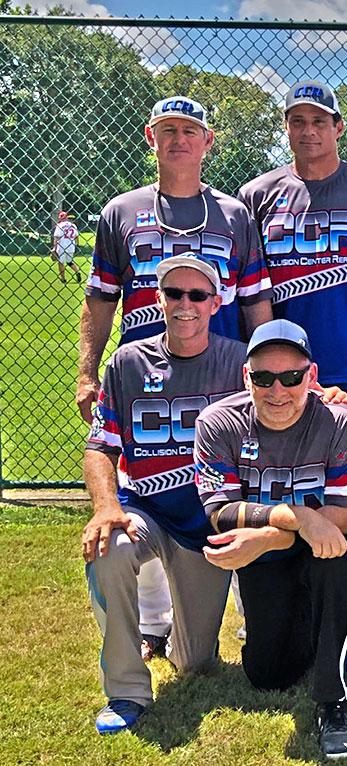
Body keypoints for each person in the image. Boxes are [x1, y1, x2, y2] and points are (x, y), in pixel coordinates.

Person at [77, 95, 273, 663]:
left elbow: (256, 303)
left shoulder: (234, 215)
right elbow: (101, 298)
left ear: (207, 141)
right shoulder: (122, 211)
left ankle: (250, 618)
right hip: (144, 373)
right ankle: (152, 624)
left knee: (229, 486)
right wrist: (87, 373)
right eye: (168, 130)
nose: (179, 140)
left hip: (217, 372)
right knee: (144, 483)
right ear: (151, 137)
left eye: (190, 130)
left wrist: (268, 370)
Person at [238, 79, 347, 649]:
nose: (308, 131)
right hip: (282, 379)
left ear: (338, 127)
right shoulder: (257, 195)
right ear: (286, 127)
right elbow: (254, 293)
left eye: (319, 121)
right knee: (277, 490)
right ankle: (277, 605)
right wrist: (267, 370)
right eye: (297, 121)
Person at [193, 319, 347, 759]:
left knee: (332, 560)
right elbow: (220, 513)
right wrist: (298, 519)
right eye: (264, 378)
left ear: (312, 376)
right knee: (268, 675)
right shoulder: (217, 422)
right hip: (281, 537)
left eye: (292, 377)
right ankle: (315, 628)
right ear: (246, 377)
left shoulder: (341, 419)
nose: (278, 391)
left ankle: (333, 702)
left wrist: (271, 537)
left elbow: (342, 519)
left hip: (331, 533)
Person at [82, 254, 246, 734]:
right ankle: (127, 690)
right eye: (174, 293)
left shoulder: (240, 361)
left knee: (194, 662)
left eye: (197, 295)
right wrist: (106, 506)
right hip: (148, 512)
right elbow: (100, 446)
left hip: (209, 525)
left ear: (215, 303)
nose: (185, 304)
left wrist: (329, 397)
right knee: (109, 547)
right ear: (158, 299)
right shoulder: (128, 363)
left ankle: (178, 640)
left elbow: (291, 401)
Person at [51, 211, 83, 283]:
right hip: (71, 246)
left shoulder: (59, 225)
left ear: (60, 218)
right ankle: (77, 272)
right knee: (69, 262)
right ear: (67, 217)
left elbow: (57, 237)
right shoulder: (73, 225)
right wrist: (76, 244)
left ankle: (63, 279)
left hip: (62, 246)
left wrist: (54, 248)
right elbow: (76, 236)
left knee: (60, 262)